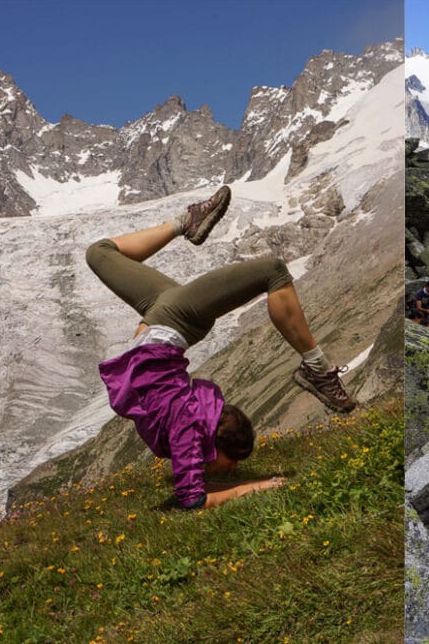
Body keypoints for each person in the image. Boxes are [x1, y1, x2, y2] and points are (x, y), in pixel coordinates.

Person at [86, 185, 356, 510]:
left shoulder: (187, 428)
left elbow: (192, 498)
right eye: (234, 462)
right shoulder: (189, 424)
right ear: (217, 445)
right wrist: (259, 485)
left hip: (166, 319)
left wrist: (252, 484)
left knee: (99, 252)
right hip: (173, 319)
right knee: (272, 271)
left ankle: (186, 222)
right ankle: (318, 369)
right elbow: (197, 496)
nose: (234, 469)